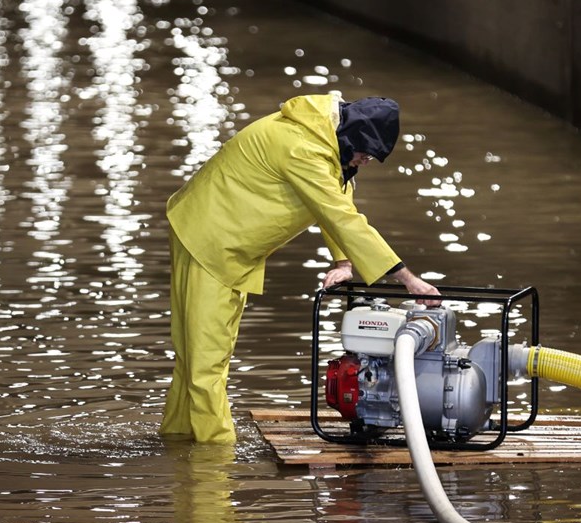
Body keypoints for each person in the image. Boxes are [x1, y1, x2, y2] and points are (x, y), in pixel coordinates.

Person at [162, 92, 441, 444]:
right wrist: (406, 279)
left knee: (197, 356)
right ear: (349, 139)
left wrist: (343, 260)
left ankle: (177, 439)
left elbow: (337, 198)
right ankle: (215, 461)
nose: (365, 162)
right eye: (364, 154)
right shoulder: (302, 149)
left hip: (226, 240)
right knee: (205, 360)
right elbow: (340, 214)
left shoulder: (324, 138)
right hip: (209, 237)